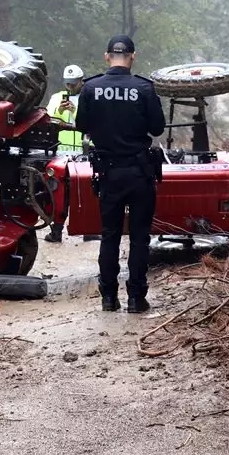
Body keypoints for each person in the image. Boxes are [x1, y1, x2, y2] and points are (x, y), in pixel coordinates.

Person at [75, 35, 166, 313]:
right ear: (132, 56)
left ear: (107, 57)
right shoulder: (144, 88)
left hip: (109, 173)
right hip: (140, 173)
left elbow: (81, 125)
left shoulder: (91, 88)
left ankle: (108, 298)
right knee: (139, 238)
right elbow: (158, 129)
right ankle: (137, 299)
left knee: (110, 235)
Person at [43, 65, 85, 244]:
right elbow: (47, 119)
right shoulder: (56, 97)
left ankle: (88, 231)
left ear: (81, 81)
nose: (70, 87)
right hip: (61, 152)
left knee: (84, 192)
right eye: (68, 84)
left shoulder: (88, 98)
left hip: (84, 151)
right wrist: (60, 111)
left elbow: (91, 120)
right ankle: (57, 230)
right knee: (59, 193)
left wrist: (74, 111)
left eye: (74, 84)